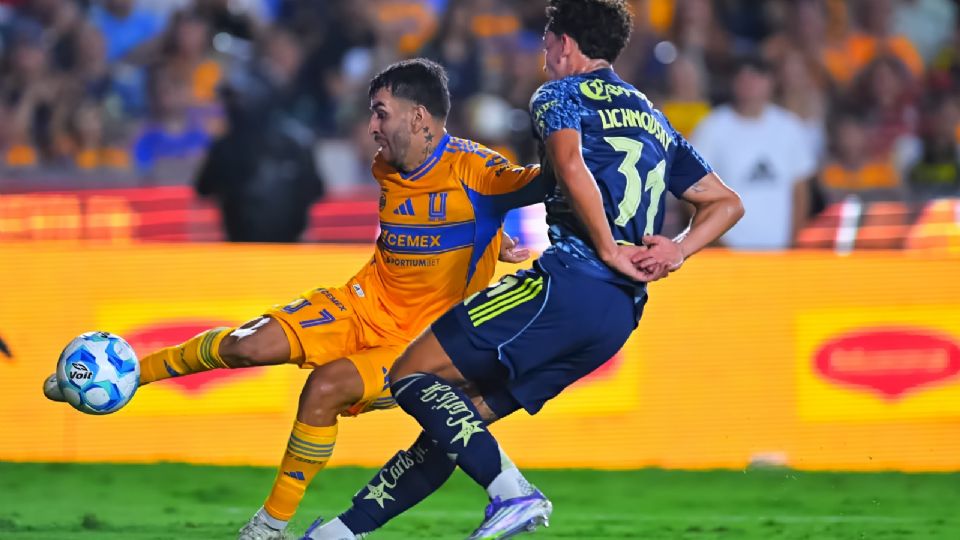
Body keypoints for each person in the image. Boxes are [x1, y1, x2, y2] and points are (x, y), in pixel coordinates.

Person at [42, 58, 543, 540]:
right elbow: (443, 221)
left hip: (420, 346)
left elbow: (544, 183)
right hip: (360, 303)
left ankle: (269, 527)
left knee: (325, 388)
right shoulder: (385, 165)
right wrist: (490, 240)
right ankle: (133, 374)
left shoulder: (480, 170)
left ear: (418, 117)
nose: (371, 126)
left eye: (381, 113)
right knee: (247, 345)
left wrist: (568, 141)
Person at [302, 1, 744, 539]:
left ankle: (513, 494)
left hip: (569, 283)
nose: (544, 53)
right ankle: (339, 534)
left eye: (547, 41)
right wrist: (678, 248)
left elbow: (571, 165)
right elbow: (725, 202)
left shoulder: (559, 95)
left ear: (566, 43)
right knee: (458, 424)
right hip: (618, 315)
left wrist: (607, 248)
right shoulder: (652, 117)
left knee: (411, 373)